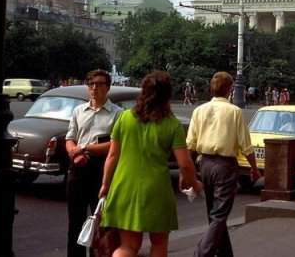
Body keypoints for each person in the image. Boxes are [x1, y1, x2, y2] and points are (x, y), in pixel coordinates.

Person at [99, 71, 201, 257]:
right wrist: (193, 183)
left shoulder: (125, 118)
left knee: (128, 245)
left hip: (123, 186)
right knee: (159, 244)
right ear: (167, 95)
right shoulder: (172, 124)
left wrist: (105, 185)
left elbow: (112, 156)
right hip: (156, 189)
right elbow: (185, 164)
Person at [187, 72, 260, 257]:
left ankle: (225, 253)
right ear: (230, 89)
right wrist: (254, 168)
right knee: (219, 215)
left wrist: (189, 170)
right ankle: (202, 253)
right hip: (225, 165)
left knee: (214, 213)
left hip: (204, 164)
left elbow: (191, 145)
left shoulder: (199, 110)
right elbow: (246, 146)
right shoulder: (234, 111)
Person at [65, 69, 122, 257]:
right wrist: (74, 152)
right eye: (91, 84)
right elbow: (70, 138)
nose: (94, 88)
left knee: (101, 222)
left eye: (99, 84)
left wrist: (86, 149)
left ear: (108, 87)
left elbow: (115, 145)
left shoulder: (118, 114)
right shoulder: (78, 111)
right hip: (78, 168)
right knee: (76, 221)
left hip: (102, 169)